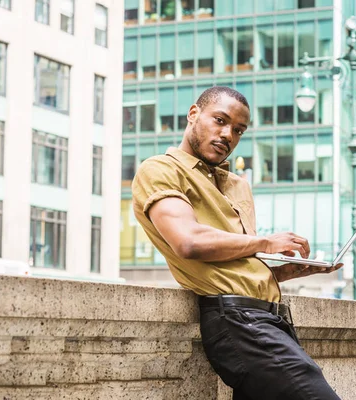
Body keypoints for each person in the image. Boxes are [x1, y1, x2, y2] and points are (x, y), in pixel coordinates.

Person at [132, 86, 342, 399]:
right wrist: (265, 243)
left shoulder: (237, 185)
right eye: (220, 120)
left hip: (271, 316)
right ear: (193, 115)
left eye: (238, 130)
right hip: (236, 320)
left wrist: (288, 271)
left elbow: (236, 262)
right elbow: (188, 242)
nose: (228, 134)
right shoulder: (160, 169)